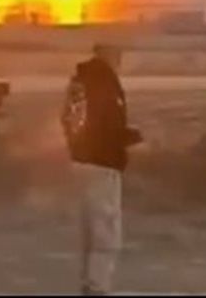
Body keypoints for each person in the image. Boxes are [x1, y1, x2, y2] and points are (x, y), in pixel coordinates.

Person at [61, 43, 143, 296]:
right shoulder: (105, 82)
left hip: (80, 162)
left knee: (87, 231)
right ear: (111, 55)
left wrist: (76, 146)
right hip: (102, 165)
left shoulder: (79, 80)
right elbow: (108, 127)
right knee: (105, 234)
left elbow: (68, 118)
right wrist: (131, 137)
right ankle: (98, 288)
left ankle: (88, 283)